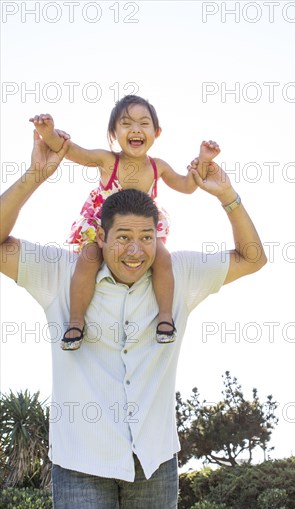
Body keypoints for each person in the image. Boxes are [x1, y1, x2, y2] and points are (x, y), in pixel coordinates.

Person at [0, 130, 267, 509]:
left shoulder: (179, 275)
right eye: (123, 237)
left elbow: (253, 259)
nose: (135, 251)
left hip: (155, 464)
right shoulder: (60, 273)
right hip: (79, 464)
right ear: (100, 237)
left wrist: (227, 195)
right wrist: (35, 174)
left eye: (146, 238)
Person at [30, 95, 220, 349]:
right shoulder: (108, 160)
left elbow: (187, 186)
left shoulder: (158, 167)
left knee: (163, 259)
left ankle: (165, 318)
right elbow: (73, 152)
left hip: (140, 229)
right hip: (103, 225)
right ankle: (76, 321)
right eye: (126, 123)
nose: (136, 129)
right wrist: (49, 133)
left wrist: (204, 161)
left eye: (144, 123)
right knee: (88, 259)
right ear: (113, 132)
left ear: (157, 132)